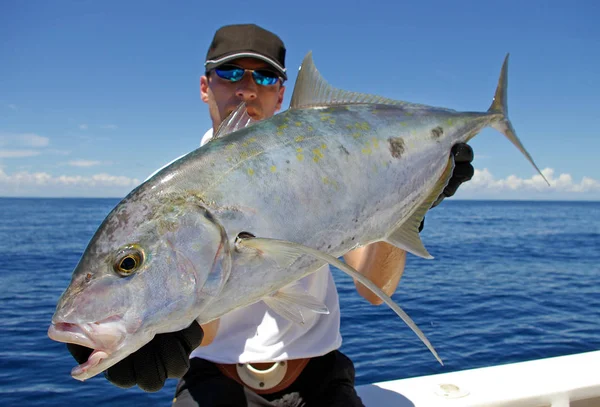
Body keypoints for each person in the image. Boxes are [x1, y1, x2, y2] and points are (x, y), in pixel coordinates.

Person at [67, 23, 474, 406]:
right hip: (213, 382)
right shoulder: (164, 195)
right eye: (230, 73)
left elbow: (373, 288)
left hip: (320, 377)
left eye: (264, 77)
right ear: (204, 86)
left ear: (282, 94)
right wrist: (160, 331)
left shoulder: (324, 161)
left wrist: (407, 206)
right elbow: (203, 312)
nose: (247, 88)